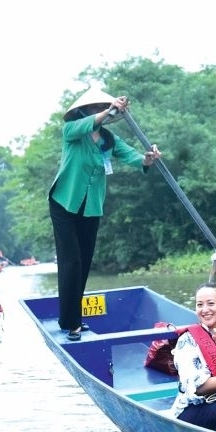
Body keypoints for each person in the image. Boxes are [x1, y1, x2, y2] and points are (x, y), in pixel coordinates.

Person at [47, 89, 161, 341]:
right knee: (71, 262)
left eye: (103, 106)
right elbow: (82, 126)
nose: (101, 111)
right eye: (96, 107)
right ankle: (71, 322)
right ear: (84, 111)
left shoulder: (109, 140)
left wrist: (147, 159)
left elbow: (132, 156)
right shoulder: (72, 131)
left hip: (90, 207)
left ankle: (72, 317)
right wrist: (109, 110)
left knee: (85, 261)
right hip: (64, 203)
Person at [167, 283, 216, 430]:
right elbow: (198, 387)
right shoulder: (187, 341)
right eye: (199, 305)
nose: (205, 309)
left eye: (211, 303)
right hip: (195, 408)